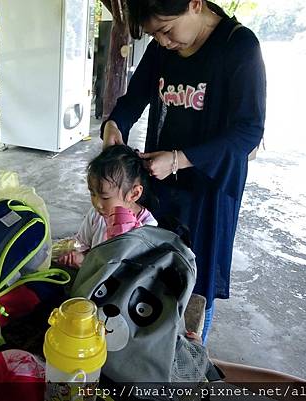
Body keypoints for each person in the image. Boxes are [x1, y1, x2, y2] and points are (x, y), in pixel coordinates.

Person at [101, 0, 266, 343]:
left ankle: (187, 364)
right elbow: (135, 96)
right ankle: (143, 354)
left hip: (210, 189)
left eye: (165, 30)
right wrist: (115, 124)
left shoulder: (239, 46)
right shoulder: (164, 48)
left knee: (195, 281)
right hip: (160, 181)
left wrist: (179, 158)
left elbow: (248, 131)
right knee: (152, 267)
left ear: (194, 4)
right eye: (155, 34)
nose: (162, 42)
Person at [58, 145, 158, 268]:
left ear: (134, 194)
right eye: (93, 194)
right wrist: (80, 256)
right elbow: (83, 243)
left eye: (105, 198)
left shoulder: (148, 227)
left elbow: (139, 269)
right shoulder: (96, 215)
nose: (97, 203)